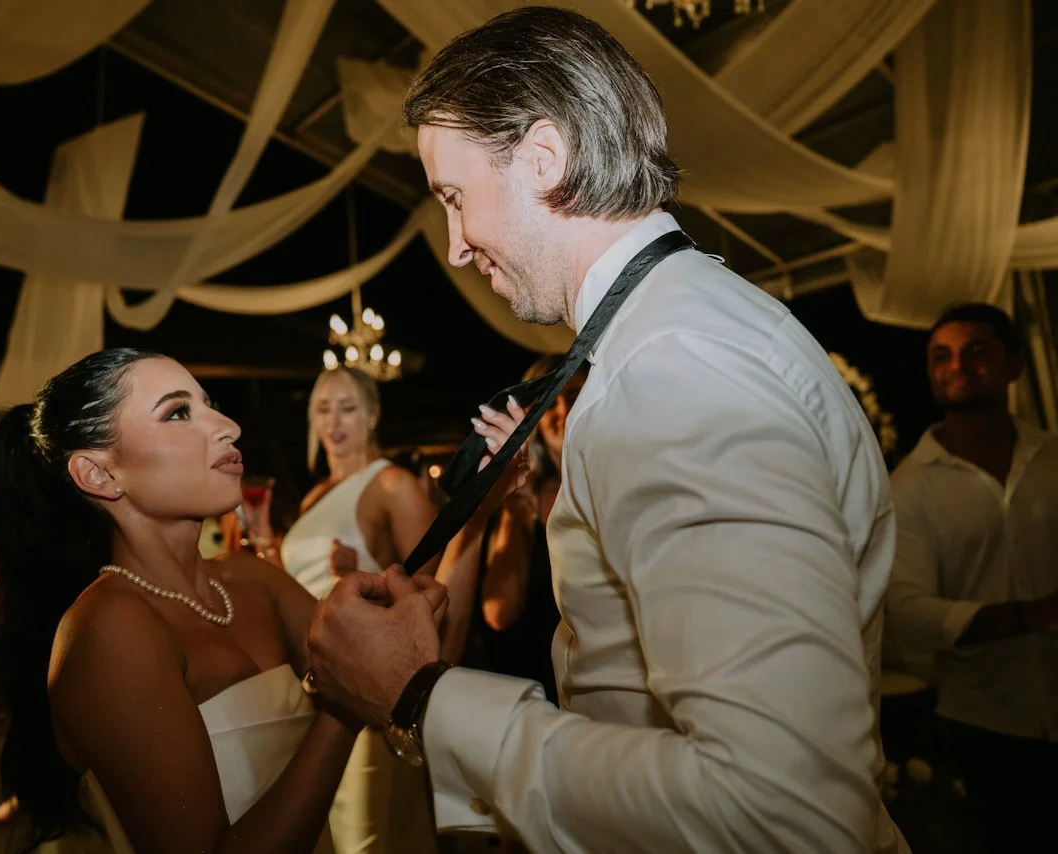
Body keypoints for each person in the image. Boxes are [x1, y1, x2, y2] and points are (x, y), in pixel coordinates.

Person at [304, 8, 906, 853]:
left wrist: (421, 698)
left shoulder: (676, 367)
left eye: (454, 197)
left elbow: (786, 815)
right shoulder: (677, 326)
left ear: (544, 159)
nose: (453, 246)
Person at [0, 348, 408, 853]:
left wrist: (475, 523)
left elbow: (393, 682)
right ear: (99, 474)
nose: (229, 426)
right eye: (178, 413)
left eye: (210, 404)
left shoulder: (253, 582)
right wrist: (339, 715)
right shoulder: (108, 628)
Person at [265, 366, 487, 854]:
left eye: (347, 407)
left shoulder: (391, 485)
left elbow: (433, 594)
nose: (334, 420)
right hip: (309, 685)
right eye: (323, 408)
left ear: (372, 415)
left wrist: (365, 571)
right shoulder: (313, 496)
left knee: (365, 836)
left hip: (366, 684)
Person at [885, 303, 1058, 851]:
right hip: (985, 723)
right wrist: (1028, 616)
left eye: (976, 350)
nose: (956, 365)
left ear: (1013, 366)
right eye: (942, 356)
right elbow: (907, 610)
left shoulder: (1054, 458)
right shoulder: (911, 486)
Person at [467, 355, 583, 706]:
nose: (562, 409)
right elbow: (499, 613)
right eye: (551, 399)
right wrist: (515, 517)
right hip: (531, 694)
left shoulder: (613, 485)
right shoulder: (519, 500)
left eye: (574, 394)